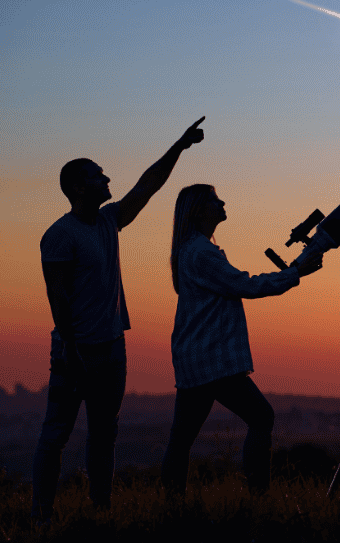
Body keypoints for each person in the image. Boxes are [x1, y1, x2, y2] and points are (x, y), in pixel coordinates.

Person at [32, 117, 206, 525]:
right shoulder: (59, 235)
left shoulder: (110, 221)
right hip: (77, 349)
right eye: (97, 175)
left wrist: (178, 147)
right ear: (78, 187)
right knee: (56, 433)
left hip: (112, 346)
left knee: (104, 432)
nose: (107, 178)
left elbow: (148, 185)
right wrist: (72, 349)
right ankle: (41, 515)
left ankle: (100, 510)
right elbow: (56, 296)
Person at [161, 184, 322, 500]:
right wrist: (295, 273)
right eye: (213, 200)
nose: (221, 203)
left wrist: (295, 273)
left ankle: (173, 505)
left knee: (181, 439)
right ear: (198, 210)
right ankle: (258, 497)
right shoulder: (201, 252)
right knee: (262, 417)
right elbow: (244, 285)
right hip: (212, 360)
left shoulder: (195, 250)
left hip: (198, 358)